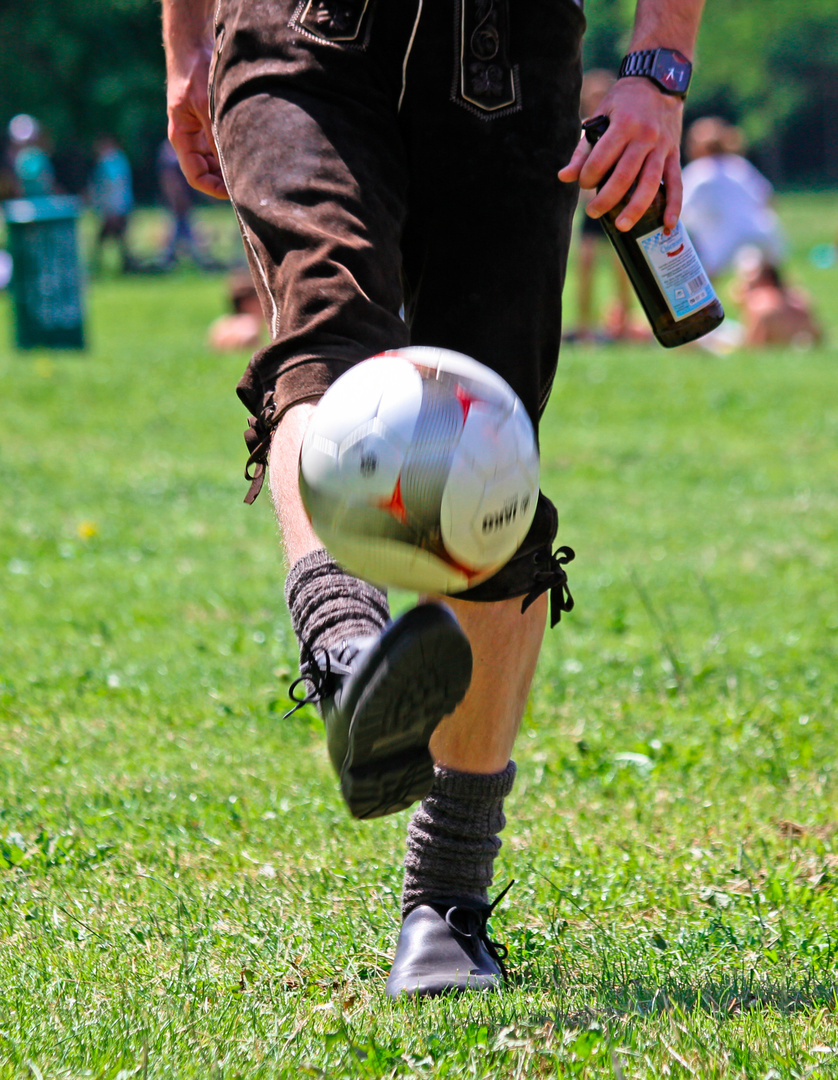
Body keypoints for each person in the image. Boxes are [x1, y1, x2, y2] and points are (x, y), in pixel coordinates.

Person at [163, 0, 708, 997]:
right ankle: (343, 649)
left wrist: (657, 68)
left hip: (506, 49)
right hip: (296, 35)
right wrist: (185, 42)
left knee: (486, 453)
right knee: (320, 346)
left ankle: (445, 899)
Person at [566, 69, 637, 344]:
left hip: (616, 203)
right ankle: (584, 327)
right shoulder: (581, 129)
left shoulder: (621, 126)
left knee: (623, 268)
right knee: (585, 266)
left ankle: (624, 327)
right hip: (591, 207)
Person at [680, 116, 785, 279]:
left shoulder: (697, 171)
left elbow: (680, 210)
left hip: (722, 240)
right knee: (774, 282)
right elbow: (767, 197)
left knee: (702, 285)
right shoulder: (738, 164)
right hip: (760, 230)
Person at [733, 247, 824, 348]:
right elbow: (819, 334)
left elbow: (753, 346)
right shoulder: (797, 297)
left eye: (749, 284)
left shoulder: (760, 302)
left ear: (764, 282)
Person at [89, 135, 135, 274]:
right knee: (119, 238)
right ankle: (126, 265)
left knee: (104, 239)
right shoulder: (121, 159)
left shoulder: (109, 161)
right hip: (122, 205)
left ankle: (98, 267)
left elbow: (112, 186)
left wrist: (111, 210)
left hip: (115, 208)